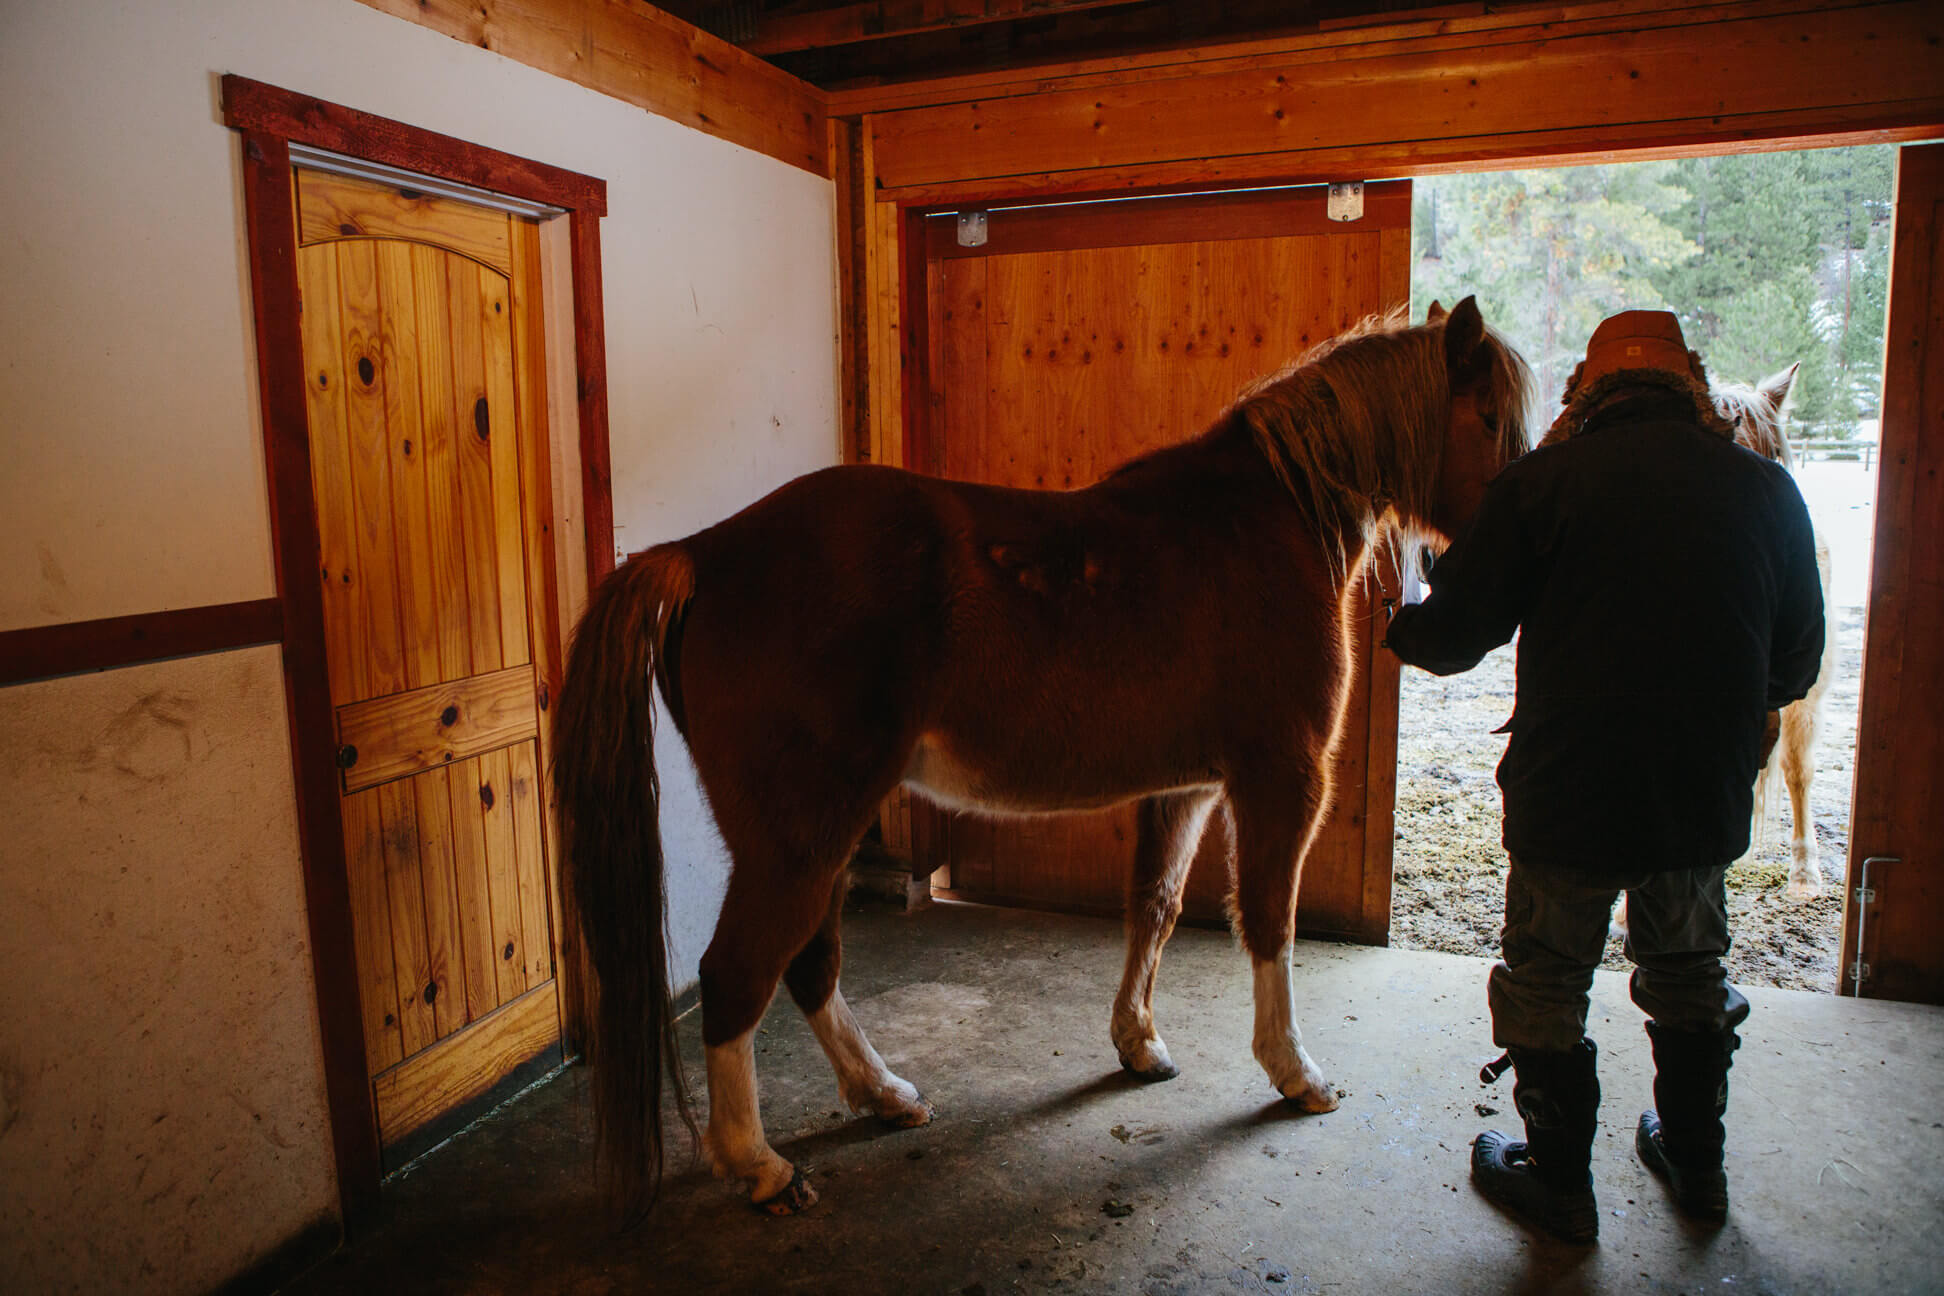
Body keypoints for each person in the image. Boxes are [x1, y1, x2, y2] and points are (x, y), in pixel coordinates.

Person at [1384, 310, 1825, 1243]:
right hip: (1697, 797)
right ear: (1689, 384)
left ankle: (1558, 1182)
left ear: (1586, 390)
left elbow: (1454, 642)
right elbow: (1796, 663)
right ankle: (1698, 1168)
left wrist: (1403, 606)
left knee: (1546, 979)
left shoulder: (1541, 484)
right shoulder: (1769, 494)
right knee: (1690, 971)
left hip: (1567, 795)